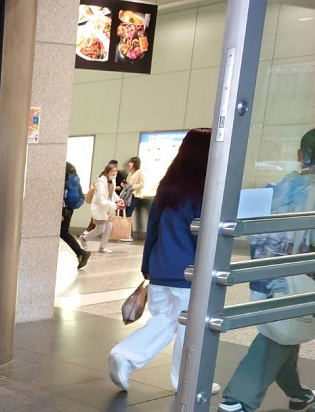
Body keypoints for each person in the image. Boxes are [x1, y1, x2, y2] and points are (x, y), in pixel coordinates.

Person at [108, 128, 219, 394]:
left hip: (161, 270)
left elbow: (152, 233)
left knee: (166, 320)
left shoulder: (168, 188)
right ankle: (186, 381)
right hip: (189, 274)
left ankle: (125, 354)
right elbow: (206, 239)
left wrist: (148, 268)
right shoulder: (206, 193)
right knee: (188, 328)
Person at [216, 129, 315, 412]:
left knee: (286, 331)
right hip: (299, 278)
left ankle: (298, 394)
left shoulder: (281, 185)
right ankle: (236, 402)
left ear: (300, 155)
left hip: (265, 275)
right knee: (280, 334)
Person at [79, 163, 126, 255]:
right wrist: (115, 206)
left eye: (116, 172)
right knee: (100, 229)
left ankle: (103, 247)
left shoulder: (112, 181)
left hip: (109, 208)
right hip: (100, 208)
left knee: (109, 227)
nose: (114, 174)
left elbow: (112, 193)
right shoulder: (101, 182)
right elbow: (101, 199)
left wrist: (118, 200)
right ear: (107, 172)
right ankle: (84, 238)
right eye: (112, 172)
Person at [62, 162, 91, 269]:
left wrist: (59, 212)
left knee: (63, 232)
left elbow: (61, 192)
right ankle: (80, 253)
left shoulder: (62, 169)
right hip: (69, 206)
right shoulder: (70, 169)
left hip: (63, 208)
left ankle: (81, 253)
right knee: (63, 232)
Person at [125, 156, 146, 234]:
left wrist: (132, 187)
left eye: (131, 162)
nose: (129, 164)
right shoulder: (130, 173)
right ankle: (126, 233)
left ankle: (128, 234)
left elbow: (142, 184)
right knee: (125, 214)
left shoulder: (139, 172)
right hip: (128, 196)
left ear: (135, 163)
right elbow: (128, 183)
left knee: (128, 214)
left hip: (135, 196)